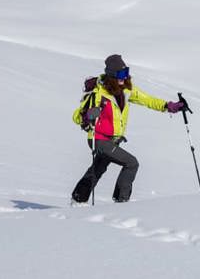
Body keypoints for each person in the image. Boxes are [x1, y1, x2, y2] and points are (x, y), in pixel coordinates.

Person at [72, 54, 185, 203]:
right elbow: (77, 117)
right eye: (120, 74)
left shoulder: (126, 90)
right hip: (98, 139)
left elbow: (148, 100)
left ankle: (78, 198)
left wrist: (170, 106)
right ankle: (121, 202)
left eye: (126, 73)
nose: (124, 77)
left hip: (113, 140)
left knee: (98, 168)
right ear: (111, 75)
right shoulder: (98, 94)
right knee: (131, 163)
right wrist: (87, 115)